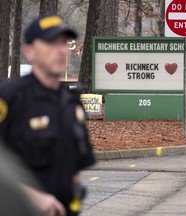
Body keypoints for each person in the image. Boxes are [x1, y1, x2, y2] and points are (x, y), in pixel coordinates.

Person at [0, 15, 96, 216]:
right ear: (29, 52)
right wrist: (33, 197)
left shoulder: (71, 101)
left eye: (63, 43)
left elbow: (75, 166)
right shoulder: (10, 99)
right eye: (51, 43)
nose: (61, 50)